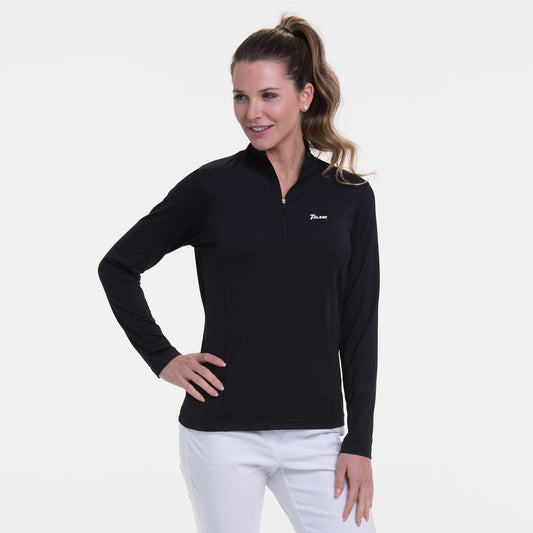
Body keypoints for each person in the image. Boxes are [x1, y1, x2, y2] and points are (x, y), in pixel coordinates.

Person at [98, 12, 380, 533]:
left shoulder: (349, 197)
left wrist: (359, 442)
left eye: (269, 95)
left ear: (305, 96)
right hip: (221, 432)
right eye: (240, 97)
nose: (253, 113)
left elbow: (360, 325)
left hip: (317, 436)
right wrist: (163, 358)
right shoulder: (211, 189)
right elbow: (117, 266)